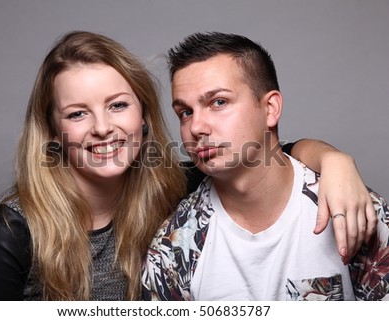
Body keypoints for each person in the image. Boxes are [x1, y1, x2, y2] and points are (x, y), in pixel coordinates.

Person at [0, 31, 375, 301]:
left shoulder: (176, 184)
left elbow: (259, 154)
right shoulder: (10, 229)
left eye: (118, 105)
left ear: (142, 116)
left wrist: (333, 160)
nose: (103, 128)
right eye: (76, 114)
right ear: (52, 132)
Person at [141, 32, 389, 301]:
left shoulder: (353, 209)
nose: (196, 127)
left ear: (270, 108)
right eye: (185, 112)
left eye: (219, 102)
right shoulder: (173, 247)